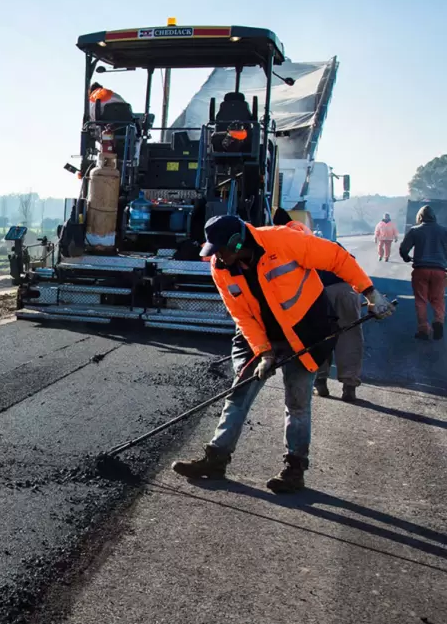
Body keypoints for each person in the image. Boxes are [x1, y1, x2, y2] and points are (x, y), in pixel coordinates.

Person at [171, 215, 393, 493]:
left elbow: (337, 257)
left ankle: (294, 470)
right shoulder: (220, 268)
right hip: (260, 333)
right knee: (239, 393)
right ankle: (215, 459)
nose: (218, 257)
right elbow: (241, 315)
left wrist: (371, 293)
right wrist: (264, 353)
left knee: (297, 400)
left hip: (304, 330)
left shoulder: (283, 240)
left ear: (238, 242)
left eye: (222, 250)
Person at [273, 211, 365, 402]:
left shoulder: (283, 243)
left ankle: (320, 383)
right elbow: (349, 262)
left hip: (321, 292)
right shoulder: (318, 238)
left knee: (319, 336)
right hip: (347, 288)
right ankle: (349, 386)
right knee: (350, 335)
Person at [399, 205, 447, 340]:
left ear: (420, 217)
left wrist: (406, 258)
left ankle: (423, 330)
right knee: (438, 299)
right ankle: (438, 321)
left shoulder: (415, 230)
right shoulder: (444, 231)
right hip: (439, 271)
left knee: (421, 300)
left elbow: (404, 249)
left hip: (421, 270)